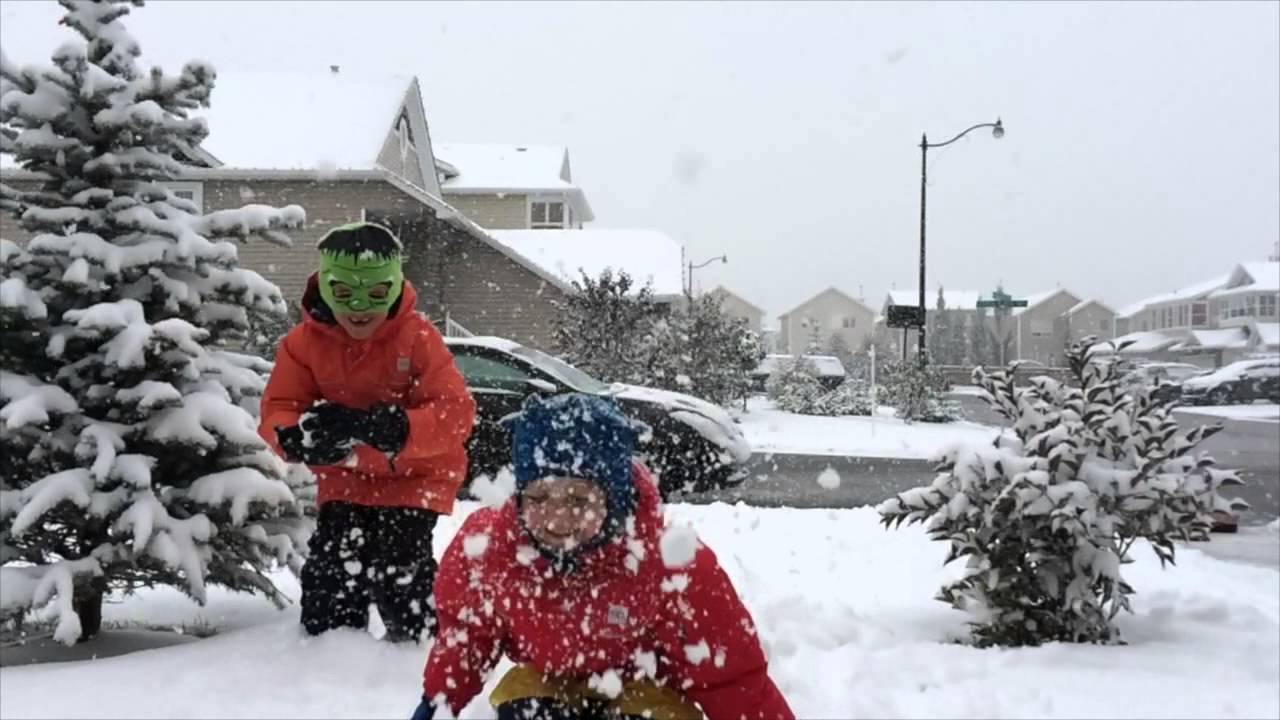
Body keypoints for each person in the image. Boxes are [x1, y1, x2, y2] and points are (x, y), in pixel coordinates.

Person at [412, 393, 793, 720]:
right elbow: (468, 639)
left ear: (615, 502)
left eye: (579, 500)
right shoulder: (489, 550)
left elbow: (732, 679)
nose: (558, 519)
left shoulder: (672, 565)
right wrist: (435, 704)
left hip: (649, 696)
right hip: (549, 689)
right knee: (522, 697)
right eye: (539, 498)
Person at [258, 221, 475, 643]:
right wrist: (293, 436)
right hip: (346, 477)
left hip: (416, 476)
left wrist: (398, 428)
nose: (361, 308)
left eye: (376, 294)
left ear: (394, 288)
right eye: (345, 294)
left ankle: (414, 652)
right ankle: (327, 657)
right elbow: (280, 407)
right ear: (325, 287)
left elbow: (456, 412)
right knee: (332, 574)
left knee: (400, 570)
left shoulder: (419, 340)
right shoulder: (303, 344)